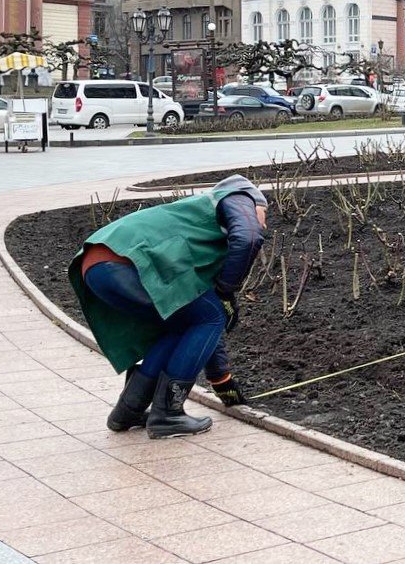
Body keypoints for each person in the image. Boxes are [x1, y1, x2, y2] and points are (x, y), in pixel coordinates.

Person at [68, 175, 266, 438]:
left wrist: (221, 381)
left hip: (98, 265)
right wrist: (226, 291)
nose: (265, 223)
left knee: (183, 324)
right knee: (209, 316)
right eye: (265, 215)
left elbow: (204, 326)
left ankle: (128, 411)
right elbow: (250, 237)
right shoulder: (239, 195)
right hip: (124, 263)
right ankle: (168, 414)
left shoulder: (200, 234)